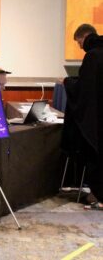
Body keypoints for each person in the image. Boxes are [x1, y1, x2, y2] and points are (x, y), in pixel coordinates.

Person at [63, 23, 103, 210]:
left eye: (79, 41)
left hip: (96, 120)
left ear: (85, 35)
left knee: (95, 155)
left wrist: (67, 82)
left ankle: (98, 196)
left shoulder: (93, 55)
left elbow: (83, 91)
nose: (79, 46)